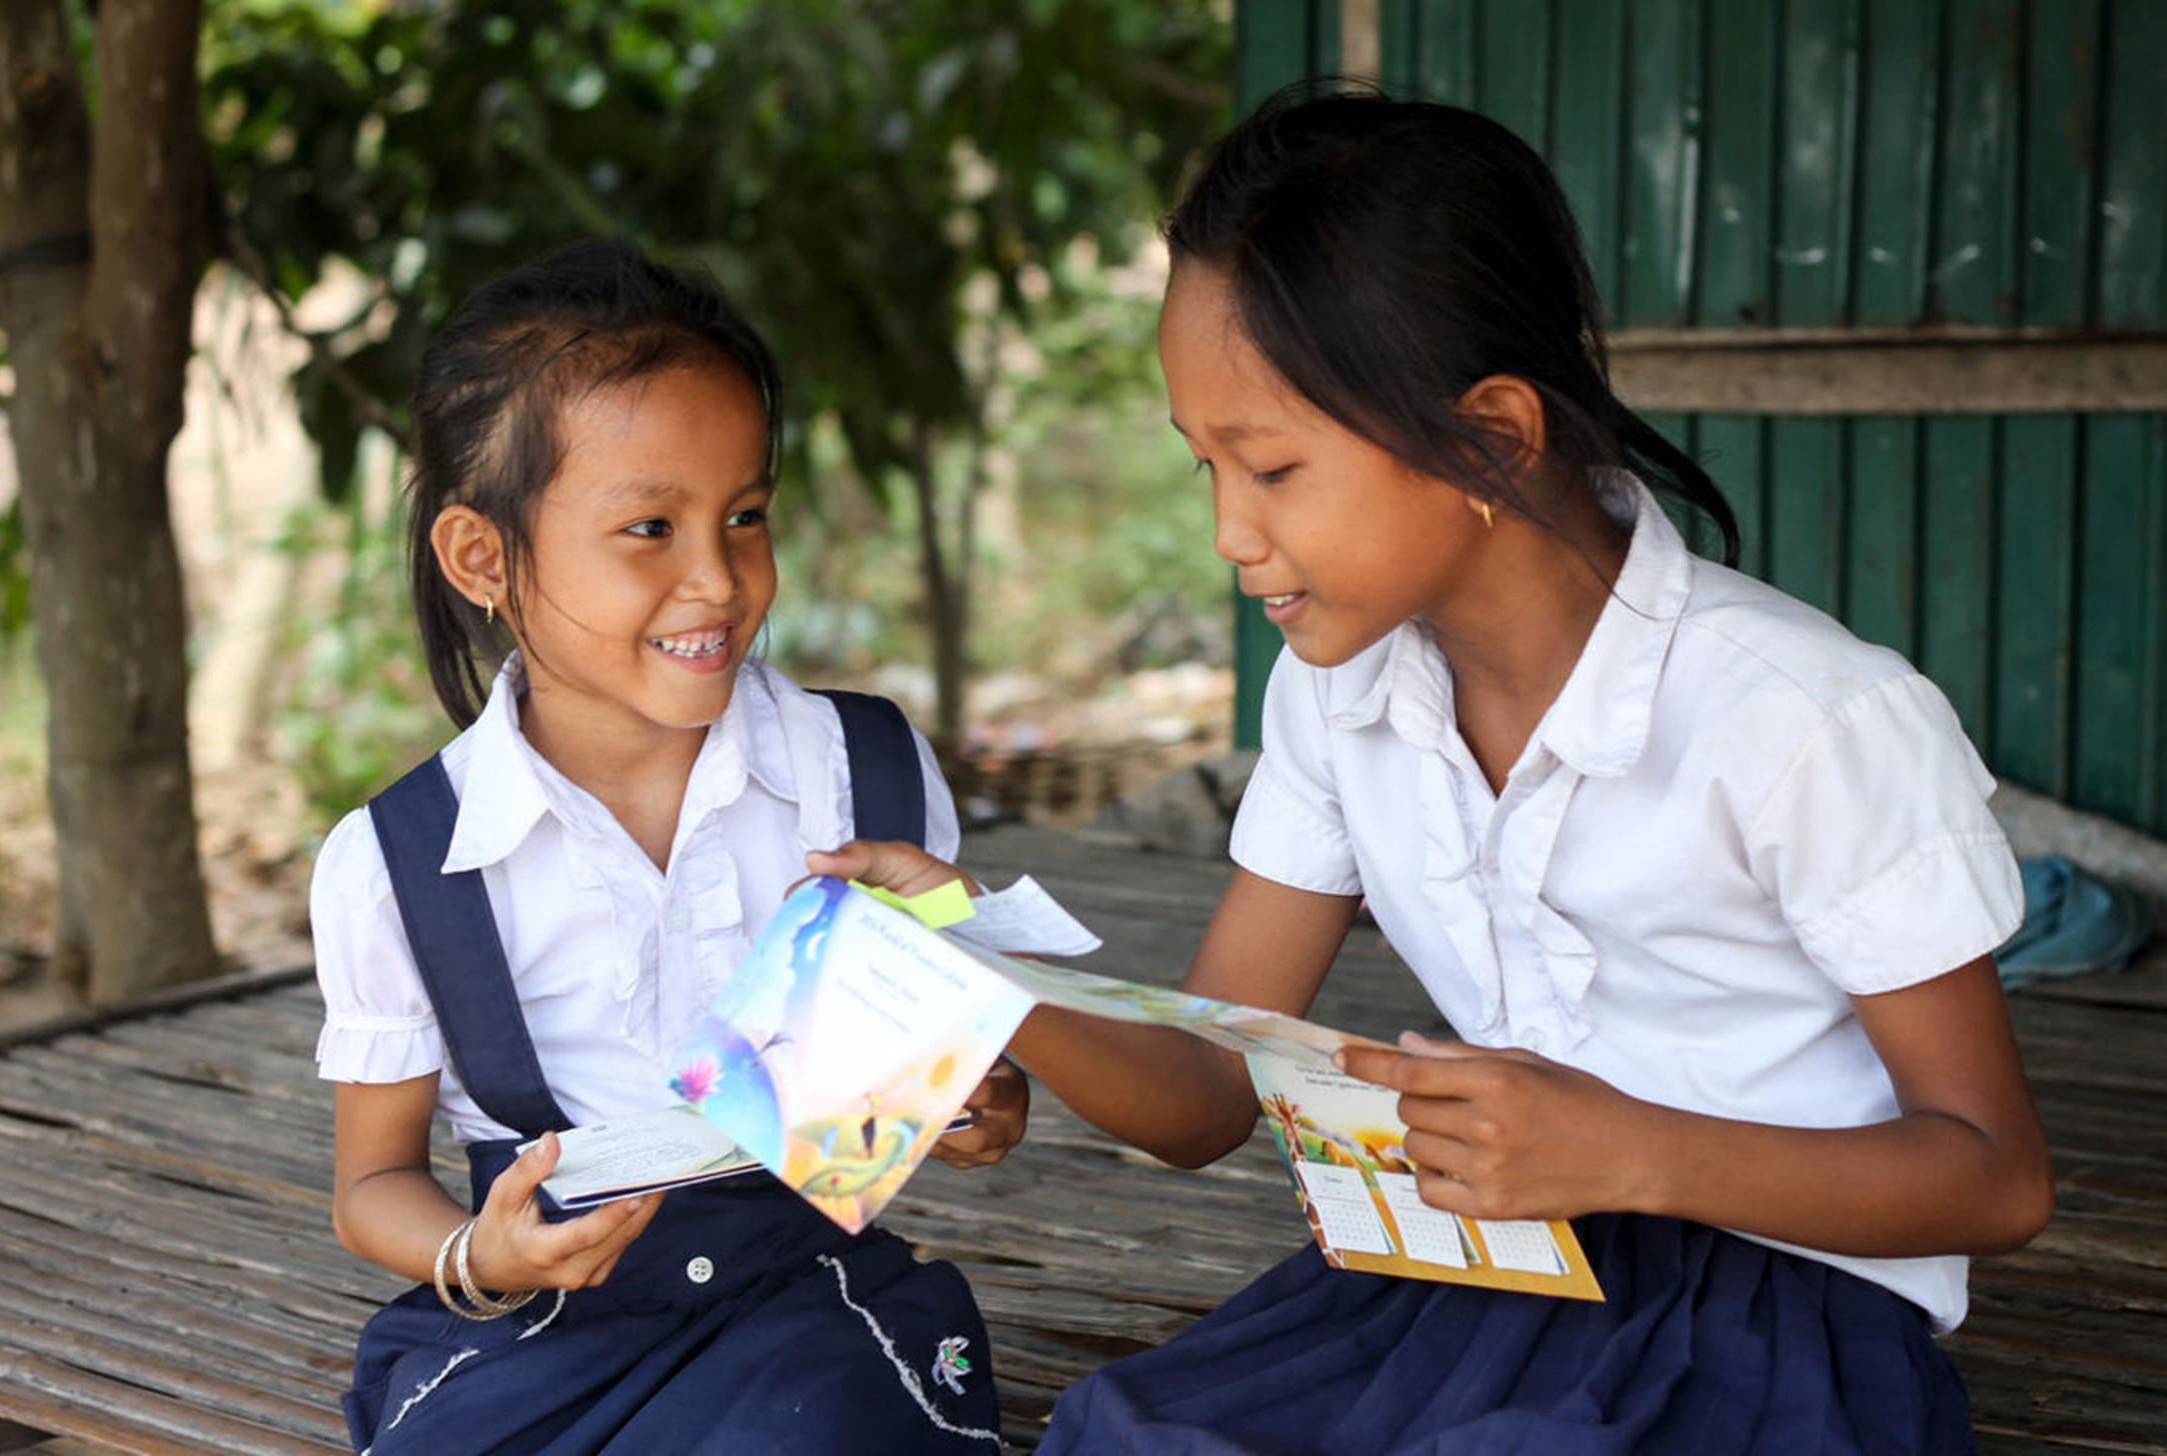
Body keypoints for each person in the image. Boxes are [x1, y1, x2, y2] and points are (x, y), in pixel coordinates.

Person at [811, 87, 2055, 1453]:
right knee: (1128, 1430)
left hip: (1784, 1317)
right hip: (1479, 1277)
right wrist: (970, 962)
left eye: (1274, 468)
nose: (1230, 531)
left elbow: (1993, 1178)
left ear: (1493, 438)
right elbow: (1201, 1100)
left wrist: (1631, 1152)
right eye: (1205, 466)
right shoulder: (1339, 697)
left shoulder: (1803, 721)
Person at [311, 238, 1022, 1455]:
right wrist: (474, 1251)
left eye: (744, 515)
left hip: (807, 1304)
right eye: (649, 526)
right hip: (542, 1329)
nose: (717, 579)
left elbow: (956, 1084)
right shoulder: (398, 859)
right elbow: (369, 1185)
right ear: (482, 557)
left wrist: (974, 1104)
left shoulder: (860, 772)